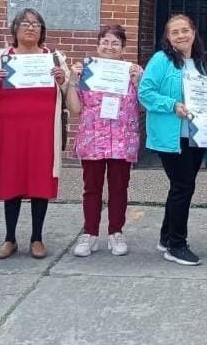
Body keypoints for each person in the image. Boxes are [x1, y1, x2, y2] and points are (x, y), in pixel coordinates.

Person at [0, 9, 69, 261]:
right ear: (15, 28)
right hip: (10, 132)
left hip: (42, 132)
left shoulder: (52, 58)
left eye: (36, 24)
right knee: (12, 181)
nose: (31, 28)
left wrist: (63, 79)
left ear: (42, 30)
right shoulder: (1, 57)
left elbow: (67, 89)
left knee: (40, 181)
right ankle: (10, 238)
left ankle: (37, 238)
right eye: (26, 23)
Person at [139, 13, 207, 267]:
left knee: (180, 187)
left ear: (193, 33)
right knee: (183, 187)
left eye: (185, 30)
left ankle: (166, 237)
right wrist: (172, 105)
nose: (181, 35)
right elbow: (145, 93)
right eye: (175, 32)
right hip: (171, 137)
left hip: (196, 136)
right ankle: (177, 245)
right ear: (168, 37)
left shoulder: (200, 62)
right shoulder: (161, 60)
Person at [67, 25, 144, 258]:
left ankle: (116, 232)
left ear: (123, 48)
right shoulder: (87, 72)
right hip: (93, 139)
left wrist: (139, 81)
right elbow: (75, 108)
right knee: (91, 189)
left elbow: (143, 106)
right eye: (105, 42)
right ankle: (90, 234)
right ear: (98, 44)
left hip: (122, 139)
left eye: (115, 43)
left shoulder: (133, 71)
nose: (109, 47)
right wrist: (72, 81)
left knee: (119, 188)